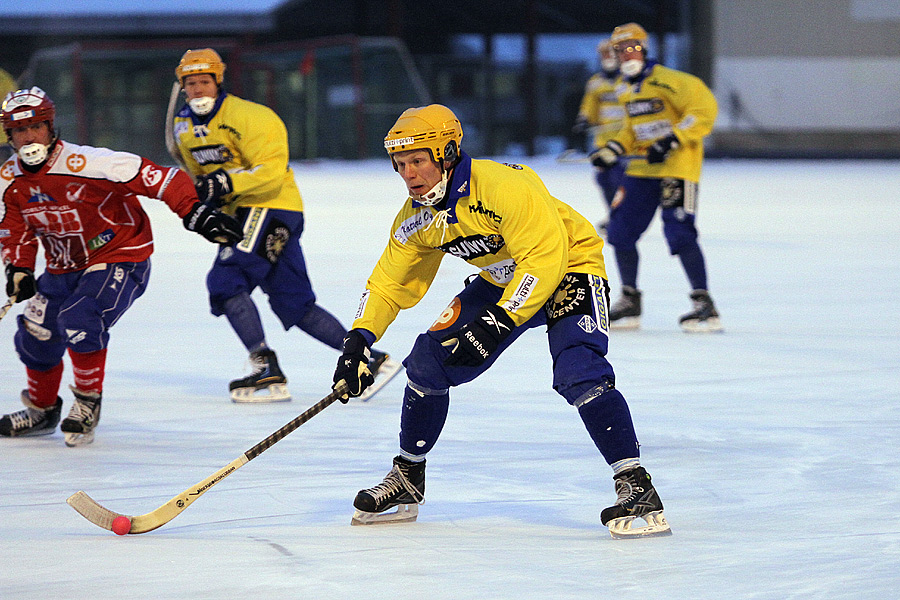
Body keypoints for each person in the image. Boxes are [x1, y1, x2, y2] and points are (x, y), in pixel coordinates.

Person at [331, 104, 671, 539]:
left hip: (568, 265)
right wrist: (358, 339)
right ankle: (408, 478)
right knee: (427, 362)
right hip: (502, 278)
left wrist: (498, 321)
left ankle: (636, 484)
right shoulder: (416, 217)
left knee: (579, 371)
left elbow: (544, 259)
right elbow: (387, 283)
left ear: (447, 152)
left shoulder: (503, 186)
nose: (410, 175)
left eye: (418, 160)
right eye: (400, 165)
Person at [0, 87, 243, 446]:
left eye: (35, 126)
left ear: (52, 127)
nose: (28, 137)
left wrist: (195, 212)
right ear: (9, 137)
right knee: (35, 333)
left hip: (118, 255)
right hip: (63, 267)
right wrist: (18, 268)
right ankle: (42, 410)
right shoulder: (10, 179)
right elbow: (14, 228)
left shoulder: (93, 163)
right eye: (19, 131)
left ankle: (86, 403)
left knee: (81, 316)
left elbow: (165, 179)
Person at [171, 48, 400, 403]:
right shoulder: (183, 125)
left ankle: (265, 368)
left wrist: (225, 184)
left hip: (269, 206)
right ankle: (371, 359)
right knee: (294, 304)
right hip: (247, 215)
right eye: (191, 83)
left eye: (204, 81)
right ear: (182, 86)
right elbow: (202, 180)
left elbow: (271, 170)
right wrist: (207, 207)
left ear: (218, 80)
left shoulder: (252, 116)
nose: (198, 89)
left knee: (226, 281)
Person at [591, 23, 722, 332]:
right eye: (620, 50)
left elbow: (703, 111)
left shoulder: (672, 81)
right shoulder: (624, 88)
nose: (626, 55)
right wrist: (613, 148)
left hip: (676, 170)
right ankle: (630, 300)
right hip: (640, 170)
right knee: (620, 231)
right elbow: (631, 128)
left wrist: (671, 140)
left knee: (679, 232)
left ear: (644, 49)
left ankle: (704, 303)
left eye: (632, 48)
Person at [573, 38, 627, 233]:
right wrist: (584, 119)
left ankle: (621, 216)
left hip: (625, 140)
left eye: (612, 54)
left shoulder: (628, 80)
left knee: (619, 179)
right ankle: (613, 214)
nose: (609, 58)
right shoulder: (596, 83)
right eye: (605, 54)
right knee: (604, 180)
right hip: (603, 140)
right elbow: (589, 106)